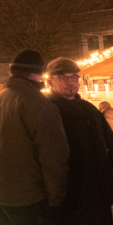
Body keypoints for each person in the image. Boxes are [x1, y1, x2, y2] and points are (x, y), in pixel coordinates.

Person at [0, 49, 69, 225]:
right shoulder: (39, 105)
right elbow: (54, 157)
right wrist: (56, 200)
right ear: (36, 74)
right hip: (28, 198)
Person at [46, 57, 113, 225]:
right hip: (68, 193)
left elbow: (110, 143)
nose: (71, 82)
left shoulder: (89, 109)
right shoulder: (46, 110)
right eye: (63, 77)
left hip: (98, 191)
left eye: (74, 77)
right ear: (50, 81)